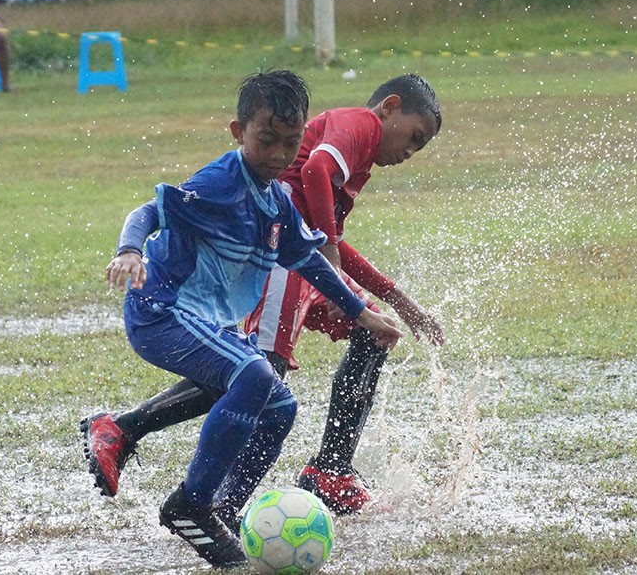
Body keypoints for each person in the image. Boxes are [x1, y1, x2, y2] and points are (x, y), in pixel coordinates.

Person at [83, 74, 443, 517]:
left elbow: (316, 237)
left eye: (421, 147)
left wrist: (392, 303)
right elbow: (314, 178)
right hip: (272, 262)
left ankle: (330, 469)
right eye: (414, 135)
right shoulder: (361, 126)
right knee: (257, 375)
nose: (410, 150)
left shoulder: (357, 160)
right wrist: (330, 255)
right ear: (389, 107)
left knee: (368, 334)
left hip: (295, 258)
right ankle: (144, 447)